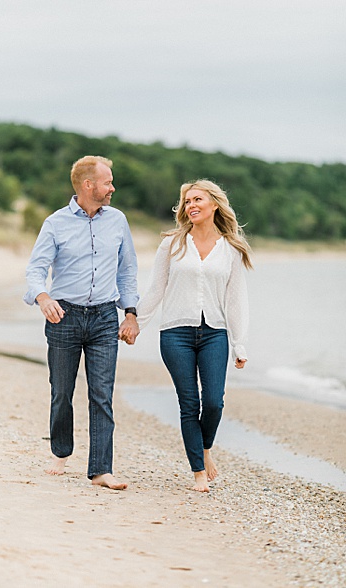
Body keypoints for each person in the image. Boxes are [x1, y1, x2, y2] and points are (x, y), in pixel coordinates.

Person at [24, 155, 139, 490]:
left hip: (105, 317)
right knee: (62, 392)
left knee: (101, 394)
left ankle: (101, 470)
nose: (112, 187)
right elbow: (35, 269)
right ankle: (61, 452)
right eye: (108, 182)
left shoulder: (118, 221)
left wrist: (130, 312)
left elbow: (127, 270)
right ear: (89, 186)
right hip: (64, 317)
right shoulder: (55, 223)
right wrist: (42, 298)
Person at [137, 179, 251, 493]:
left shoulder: (231, 249)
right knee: (190, 404)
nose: (191, 206)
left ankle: (206, 448)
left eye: (197, 199)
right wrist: (136, 322)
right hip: (176, 333)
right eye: (187, 202)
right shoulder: (172, 244)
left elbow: (236, 299)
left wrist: (239, 344)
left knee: (213, 402)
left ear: (215, 204)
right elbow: (156, 289)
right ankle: (199, 471)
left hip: (215, 333)